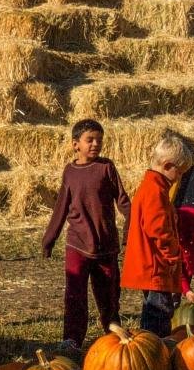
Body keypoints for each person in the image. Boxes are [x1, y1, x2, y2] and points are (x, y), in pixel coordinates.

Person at [41, 119, 130, 349]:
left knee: (108, 294)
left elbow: (122, 201)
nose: (95, 144)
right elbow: (61, 206)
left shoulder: (106, 167)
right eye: (89, 140)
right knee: (75, 293)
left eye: (99, 140)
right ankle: (72, 339)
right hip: (77, 244)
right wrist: (50, 238)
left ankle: (112, 331)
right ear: (75, 144)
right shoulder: (70, 172)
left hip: (105, 244)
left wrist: (132, 226)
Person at [121, 135, 194, 336]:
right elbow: (157, 228)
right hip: (155, 264)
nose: (180, 178)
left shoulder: (152, 187)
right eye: (180, 172)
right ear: (168, 166)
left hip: (152, 264)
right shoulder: (154, 191)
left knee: (152, 308)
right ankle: (158, 347)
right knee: (160, 311)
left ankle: (151, 345)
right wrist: (172, 255)